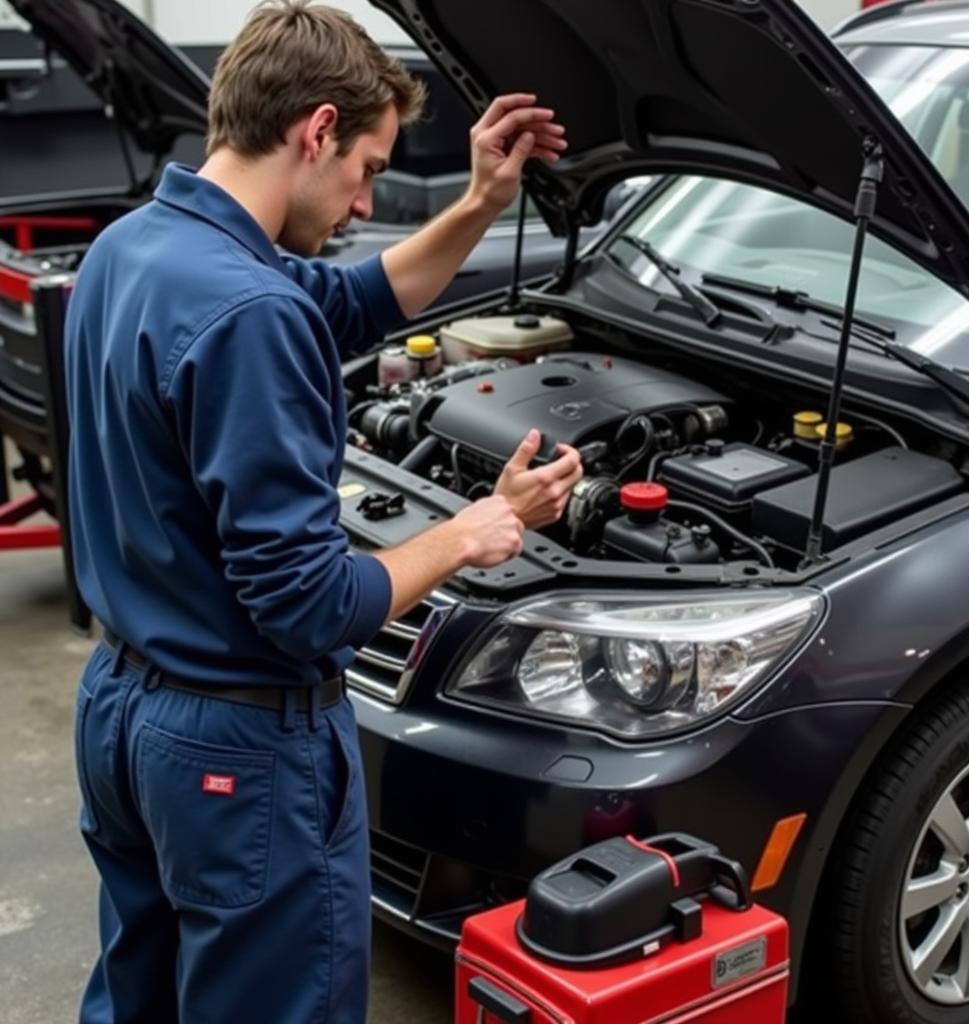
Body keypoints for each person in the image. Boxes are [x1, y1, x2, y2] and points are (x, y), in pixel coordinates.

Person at [64, 2, 581, 1021]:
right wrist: (470, 530)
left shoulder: (134, 248)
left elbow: (348, 302)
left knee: (144, 996)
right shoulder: (251, 314)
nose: (362, 200)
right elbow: (305, 604)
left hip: (123, 712)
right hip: (235, 750)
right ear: (315, 130)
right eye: (366, 168)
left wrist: (481, 200)